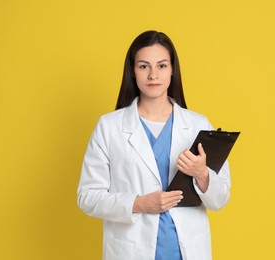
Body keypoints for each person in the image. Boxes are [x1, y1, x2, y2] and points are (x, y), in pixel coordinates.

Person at [77, 30, 231, 260]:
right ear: (132, 71)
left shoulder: (198, 124)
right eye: (143, 66)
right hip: (131, 250)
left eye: (161, 66)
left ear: (172, 70)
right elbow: (87, 197)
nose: (153, 75)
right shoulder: (109, 127)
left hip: (187, 250)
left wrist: (202, 174)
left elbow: (220, 199)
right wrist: (139, 203)